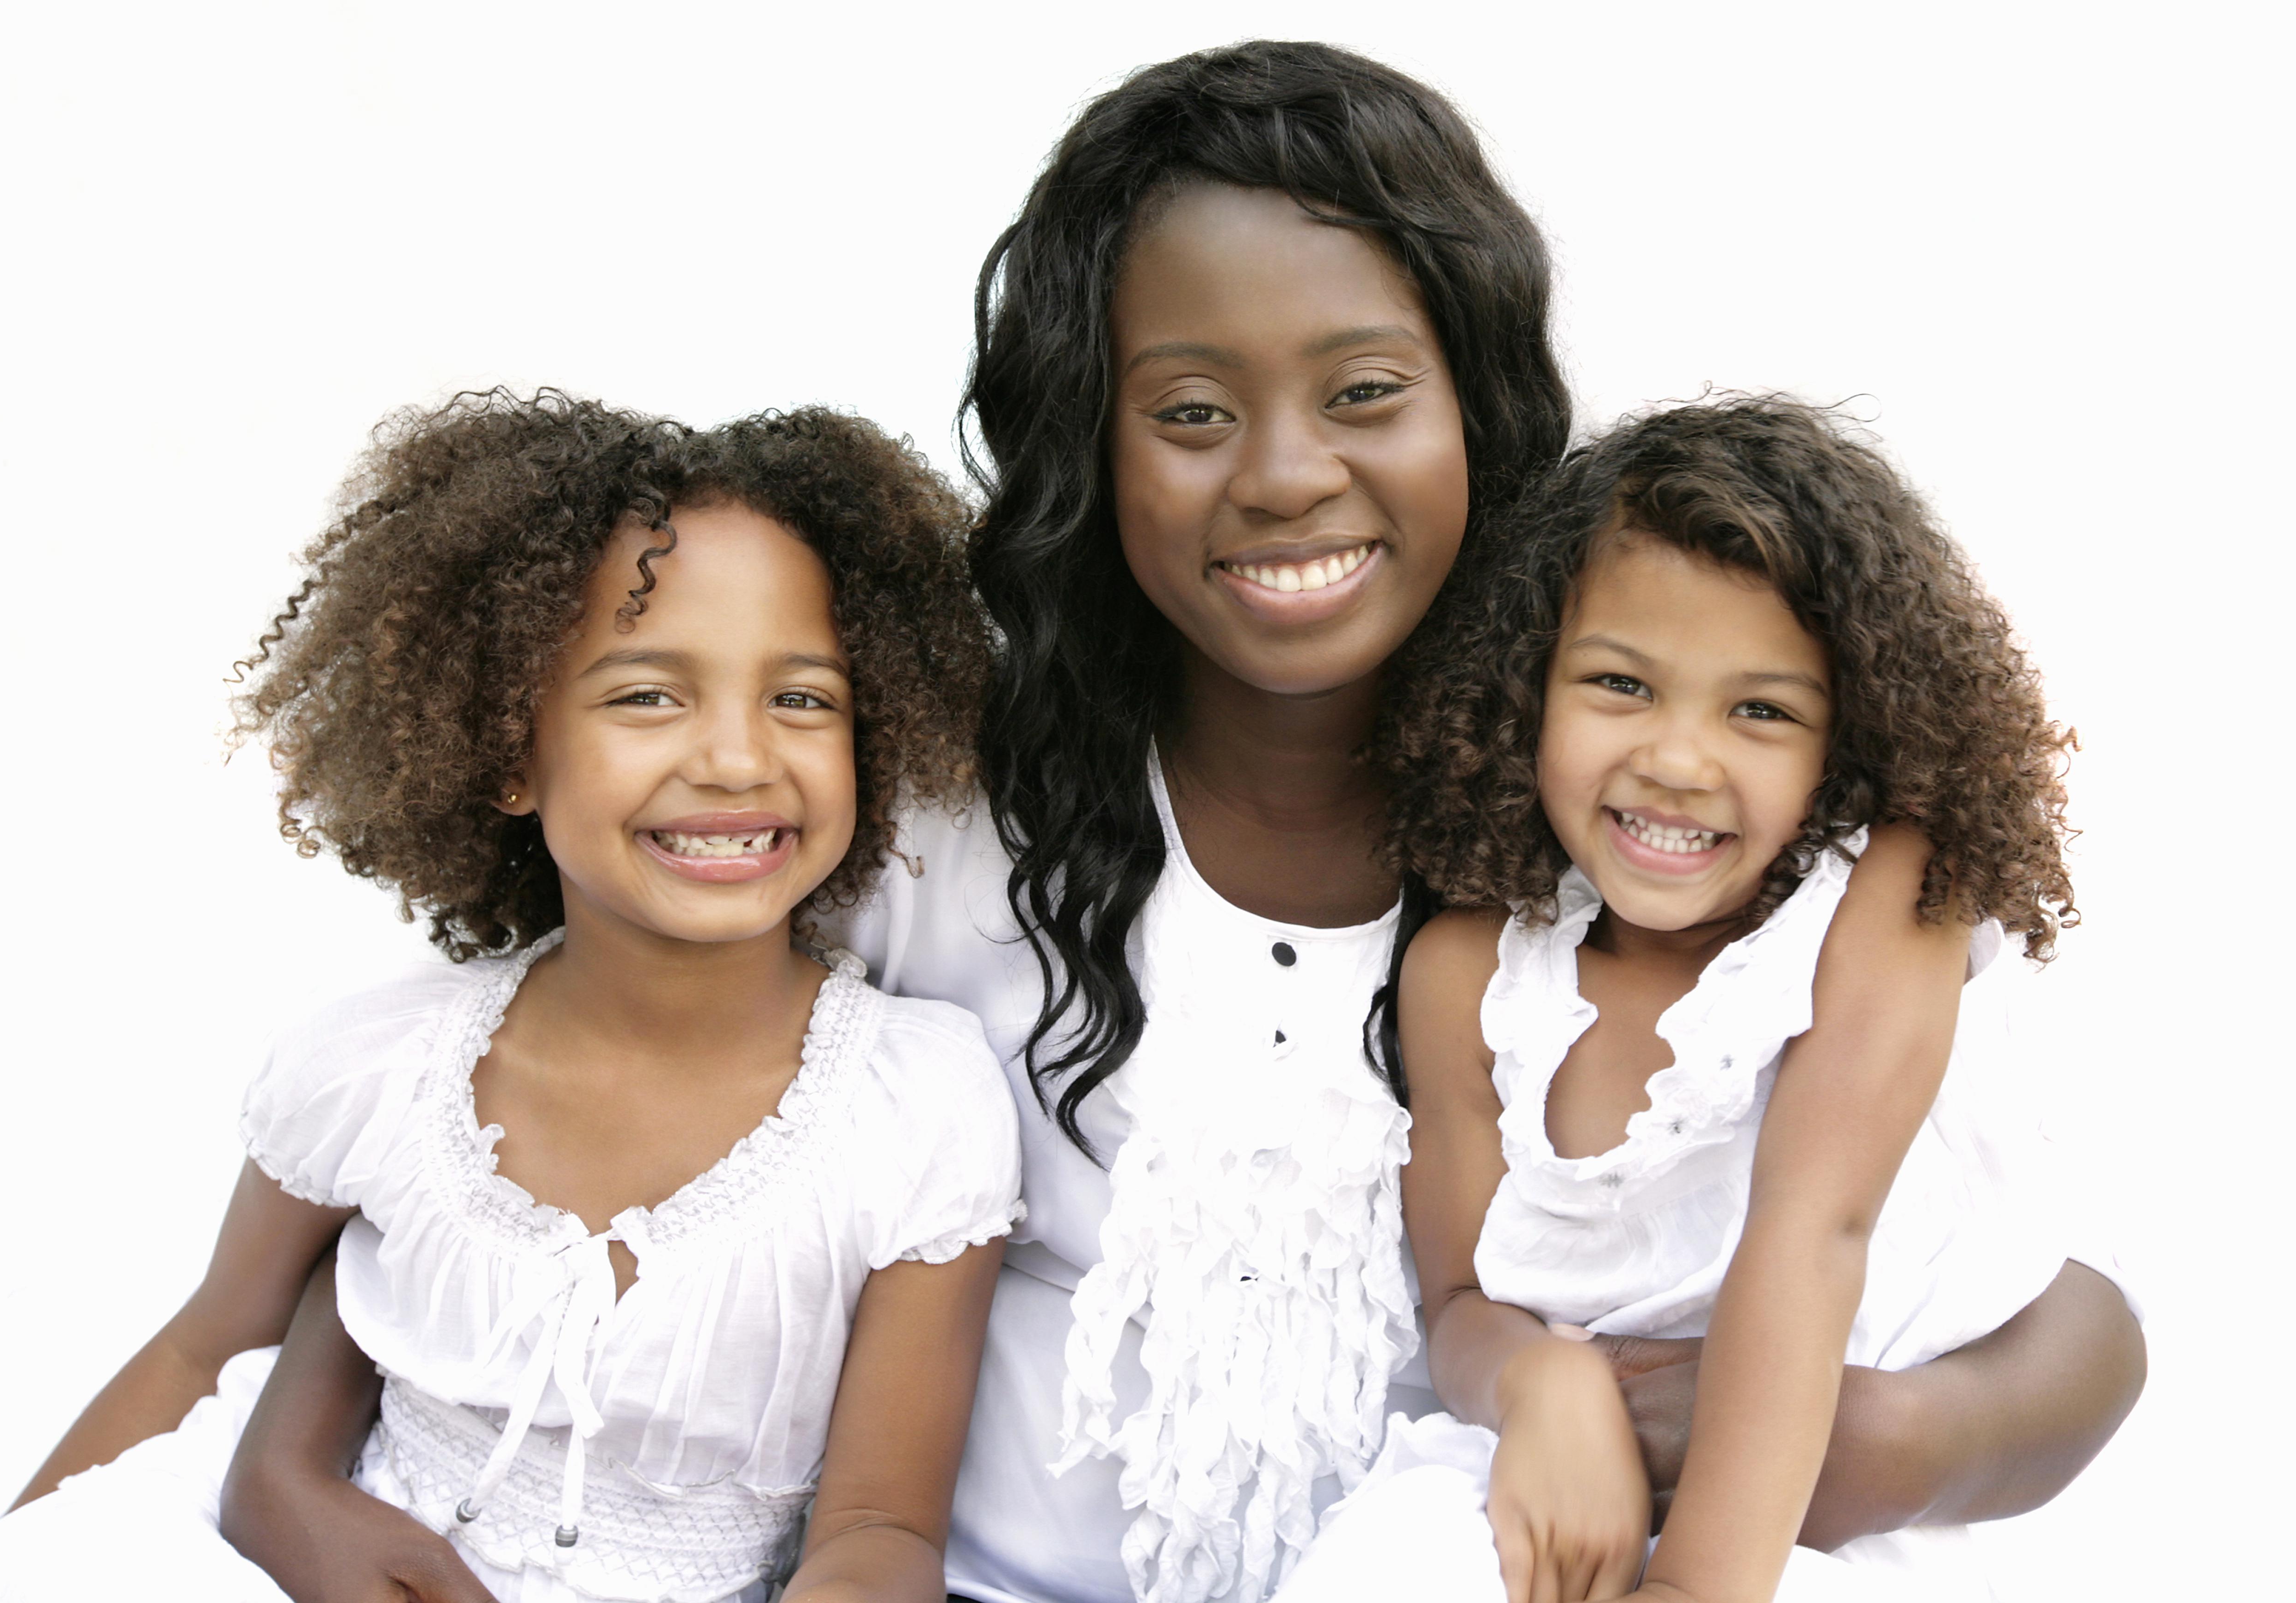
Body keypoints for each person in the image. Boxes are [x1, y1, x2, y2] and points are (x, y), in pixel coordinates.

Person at [227, 41, 2146, 1603]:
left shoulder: (1659, 840)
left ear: (1481, 412)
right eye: (1192, 408)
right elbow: (510, 1123)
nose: (1288, 472)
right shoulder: (925, 825)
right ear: (1088, 447)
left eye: (1368, 391)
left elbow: (2078, 1329)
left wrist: (1886, 1441)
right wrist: (291, 1457)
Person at [0, 393, 1019, 1603]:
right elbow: (199, 1349)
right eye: (649, 695)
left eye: (801, 697)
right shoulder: (379, 1067)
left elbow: (879, 1527)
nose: (738, 757)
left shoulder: (914, 1110)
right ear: (506, 752)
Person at [1274, 397, 2096, 1602]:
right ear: (1527, 691)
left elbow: (1812, 1238)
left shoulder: (1883, 905)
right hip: (1552, 1478)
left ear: (1845, 740)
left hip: (1801, 1513)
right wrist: (1538, 1386)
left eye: (1761, 710)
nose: (1677, 759)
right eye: (1621, 684)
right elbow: (1455, 1307)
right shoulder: (1466, 977)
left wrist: (1690, 1590)